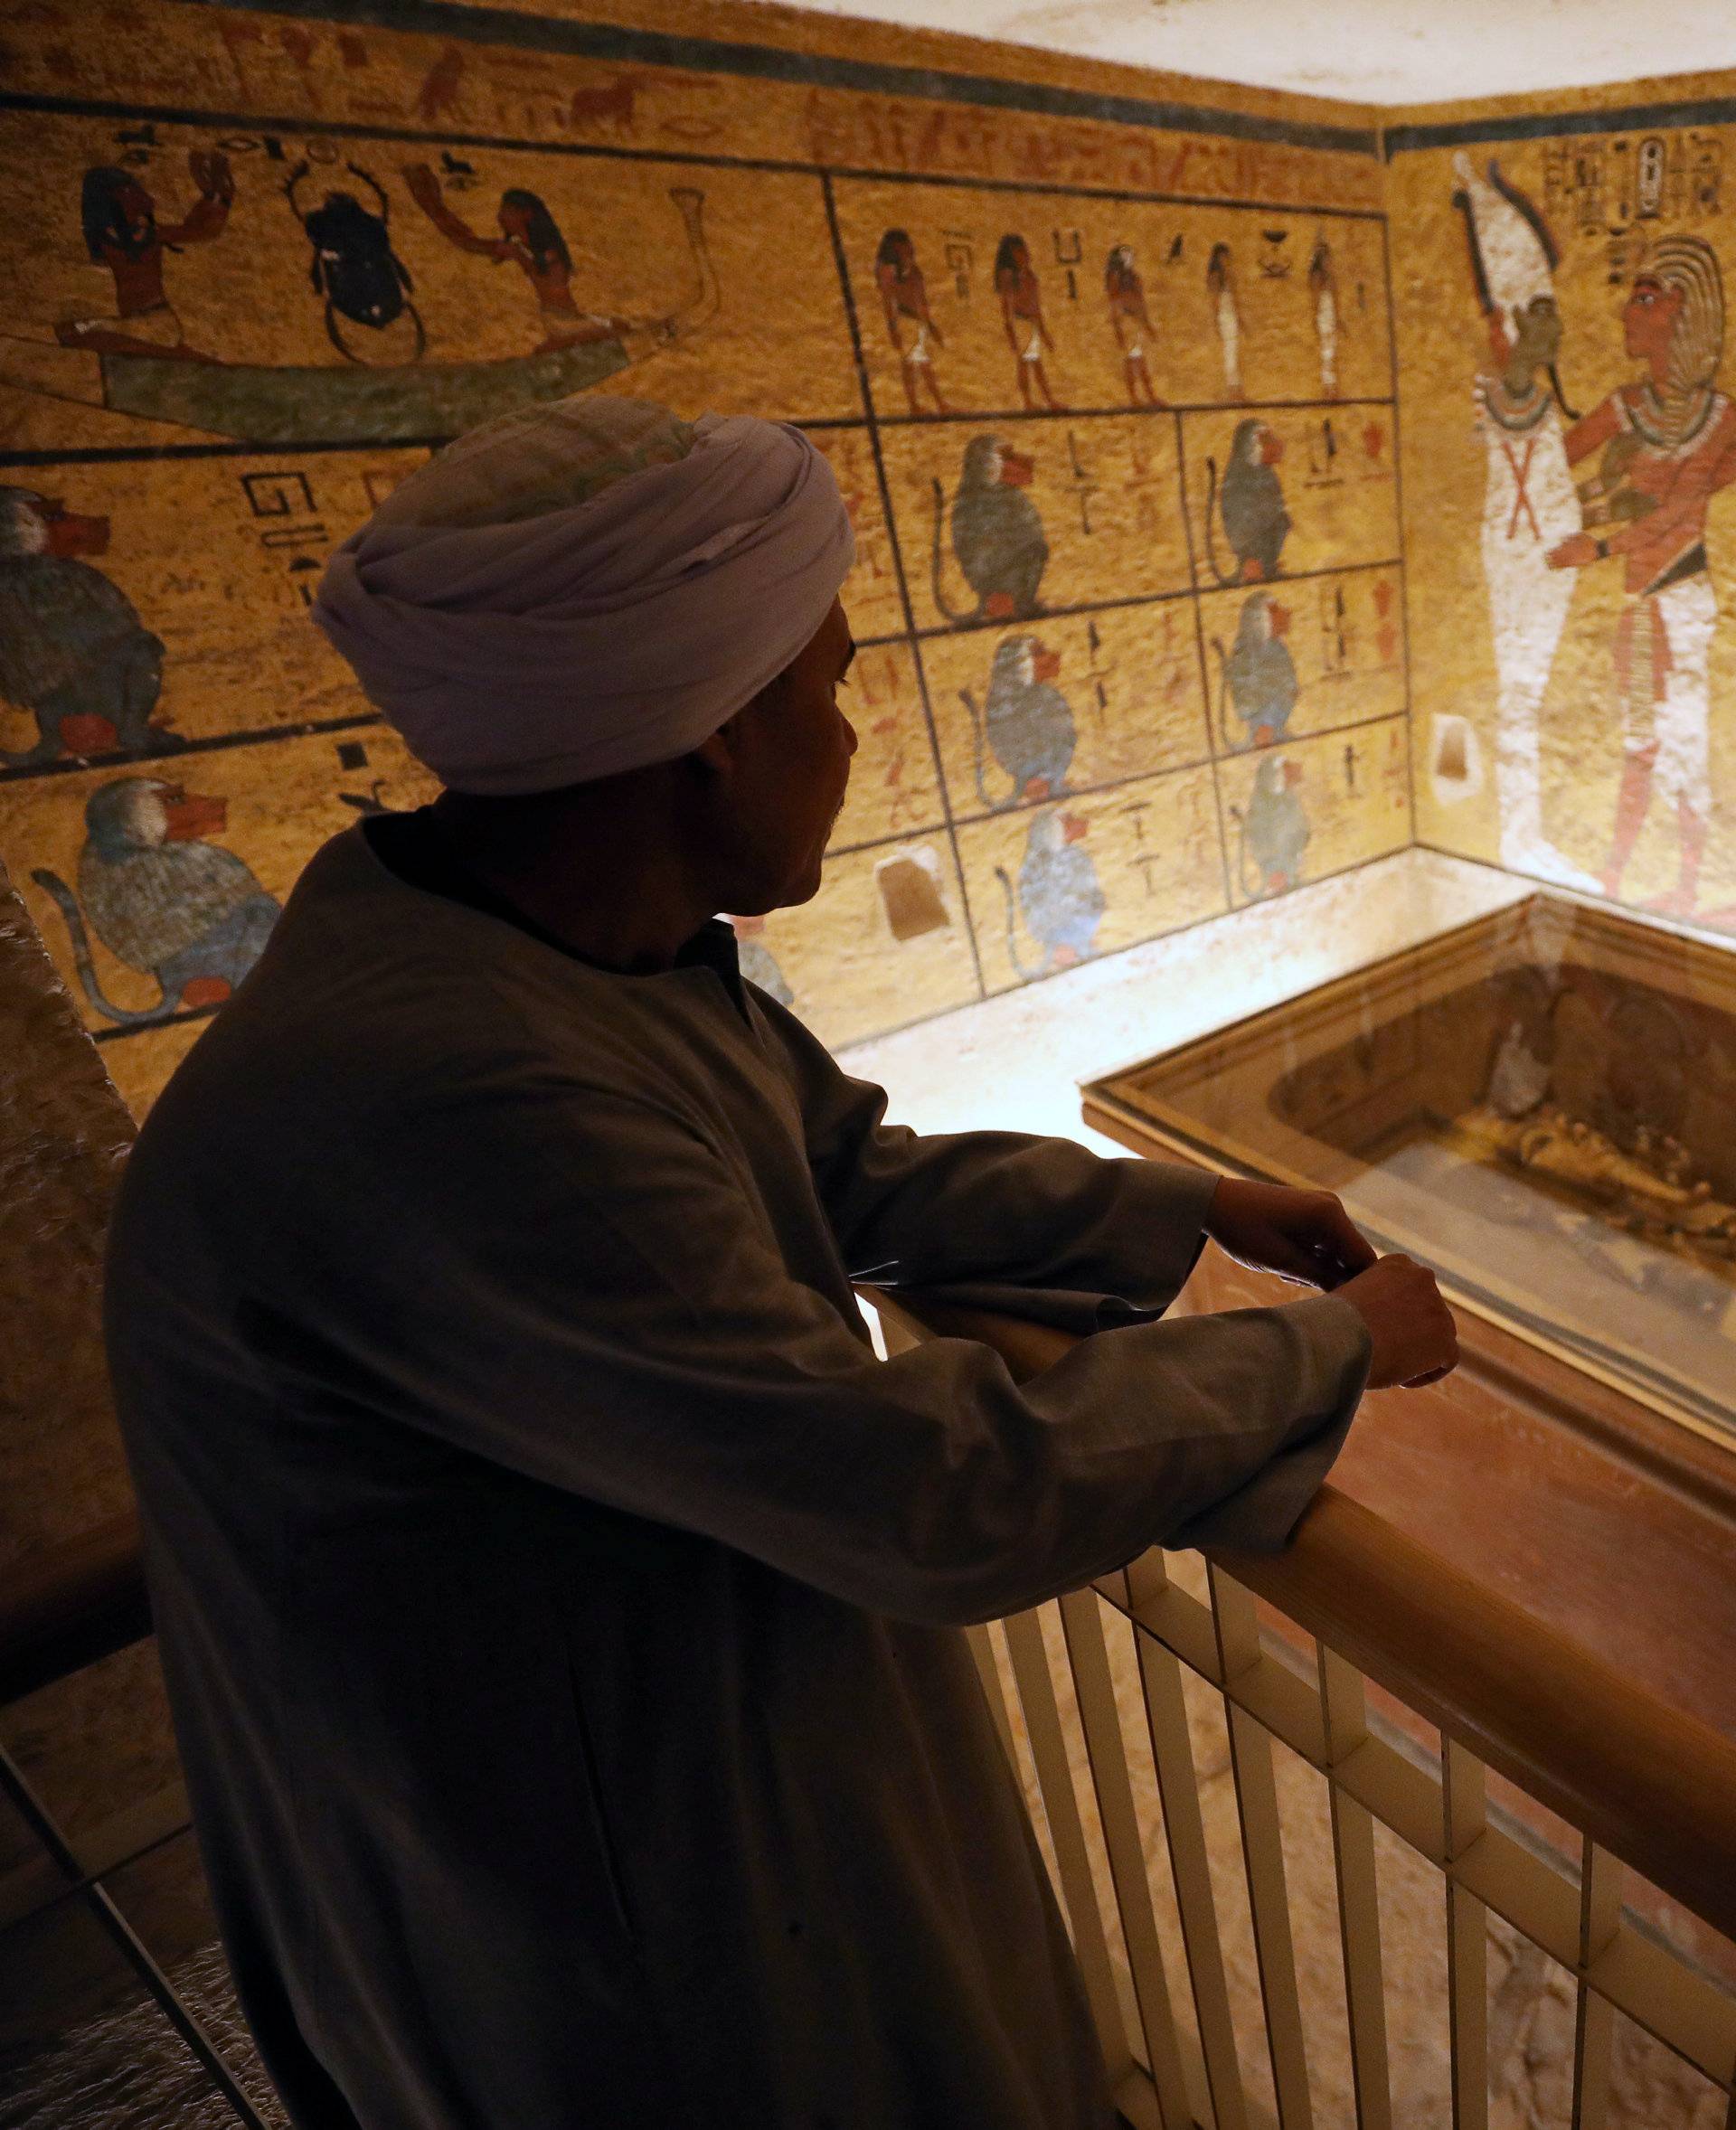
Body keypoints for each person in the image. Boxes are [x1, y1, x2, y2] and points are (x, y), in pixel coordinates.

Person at [104, 392, 1457, 2130]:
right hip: (586, 1906)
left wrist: (1181, 1208)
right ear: (710, 740)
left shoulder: (545, 941)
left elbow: (833, 1166)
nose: (853, 734)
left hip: (658, 1760)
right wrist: (1335, 1344)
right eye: (825, 687)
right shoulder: (453, 1091)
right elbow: (927, 1492)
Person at [1548, 236, 1736, 917]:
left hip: (1680, 597)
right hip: (1639, 602)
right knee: (1642, 745)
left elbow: (1678, 509)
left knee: (1679, 746)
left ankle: (1689, 885)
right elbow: (1554, 470)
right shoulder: (1626, 407)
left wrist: (1596, 547)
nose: (1628, 312)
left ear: (1684, 313)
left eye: (1647, 299)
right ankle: (1618, 882)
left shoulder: (1720, 419)